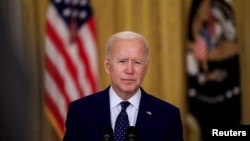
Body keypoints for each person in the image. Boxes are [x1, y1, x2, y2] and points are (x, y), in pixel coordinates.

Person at [63, 31, 184, 141]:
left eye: (137, 62)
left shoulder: (168, 116)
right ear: (107, 66)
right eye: (122, 61)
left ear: (146, 68)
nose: (130, 70)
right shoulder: (80, 111)